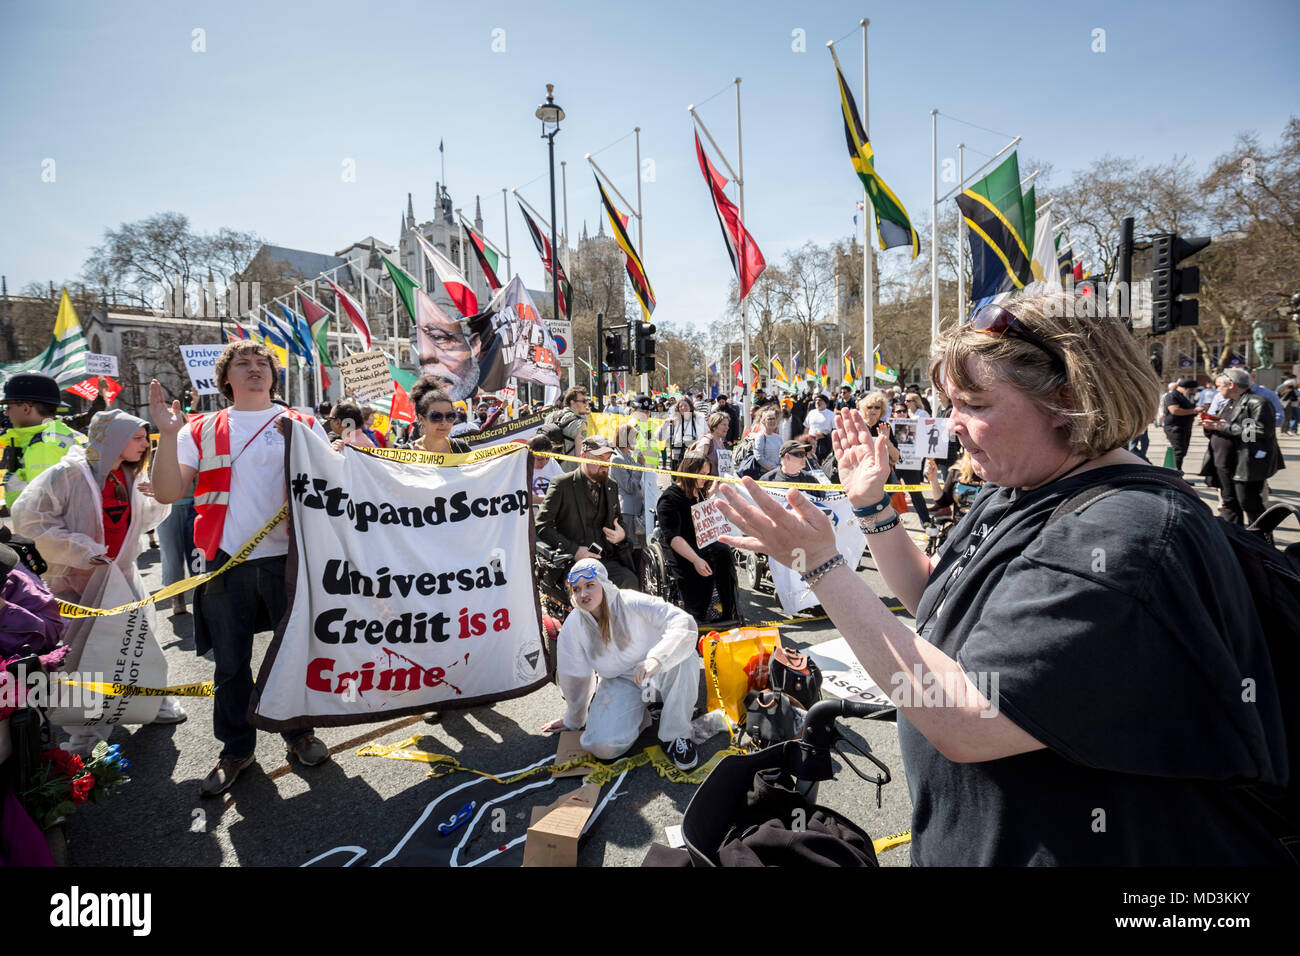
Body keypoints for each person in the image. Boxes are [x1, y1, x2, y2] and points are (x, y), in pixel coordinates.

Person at [714, 294, 1289, 865]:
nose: (952, 425)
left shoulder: (1121, 534)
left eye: (974, 403)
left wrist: (821, 567)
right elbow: (939, 600)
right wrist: (873, 510)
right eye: (950, 403)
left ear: (1067, 399)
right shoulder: (1025, 484)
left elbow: (962, 719)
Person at [149, 340, 333, 797]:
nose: (255, 369)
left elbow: (333, 491)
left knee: (295, 655)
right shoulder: (200, 428)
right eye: (243, 363)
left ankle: (299, 735)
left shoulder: (305, 424)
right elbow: (169, 493)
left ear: (274, 376)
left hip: (291, 563)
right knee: (231, 665)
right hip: (224, 564)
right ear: (225, 379)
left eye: (262, 363)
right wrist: (168, 435)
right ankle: (235, 749)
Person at [12, 410, 187, 753]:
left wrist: (152, 496)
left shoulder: (129, 475)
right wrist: (82, 551)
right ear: (113, 440)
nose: (143, 444)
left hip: (120, 577)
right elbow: (29, 520)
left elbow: (148, 518)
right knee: (83, 657)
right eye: (137, 437)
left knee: (141, 643)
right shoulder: (67, 474)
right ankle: (85, 731)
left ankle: (152, 704)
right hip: (74, 584)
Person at [540, 559, 701, 771]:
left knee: (685, 655)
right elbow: (574, 675)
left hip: (661, 672)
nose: (583, 594)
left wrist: (656, 658)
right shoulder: (574, 625)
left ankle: (677, 734)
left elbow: (682, 621)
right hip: (621, 682)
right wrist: (574, 717)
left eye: (590, 585)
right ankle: (641, 716)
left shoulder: (630, 601)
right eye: (576, 589)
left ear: (604, 585)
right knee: (601, 747)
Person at [536, 435, 639, 590]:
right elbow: (542, 526)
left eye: (607, 458)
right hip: (573, 563)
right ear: (583, 456)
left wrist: (622, 534)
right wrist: (574, 550)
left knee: (630, 582)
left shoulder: (611, 486)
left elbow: (618, 520)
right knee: (591, 592)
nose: (605, 464)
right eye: (599, 458)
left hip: (606, 560)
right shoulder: (562, 484)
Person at [0, 373, 109, 513]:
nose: (6, 413)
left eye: (8, 407)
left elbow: (44, 511)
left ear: (26, 408)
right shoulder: (56, 433)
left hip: (51, 531)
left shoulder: (44, 445)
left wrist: (14, 484)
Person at [655, 453, 737, 624]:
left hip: (699, 541)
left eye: (707, 474)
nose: (704, 479)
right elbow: (674, 537)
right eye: (701, 474)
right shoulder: (669, 499)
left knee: (724, 553)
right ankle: (697, 614)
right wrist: (696, 560)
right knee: (702, 567)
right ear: (690, 472)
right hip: (680, 547)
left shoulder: (698, 493)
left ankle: (728, 611)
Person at [1200, 368, 1279, 526]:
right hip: (1223, 462)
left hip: (1244, 463)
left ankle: (1261, 543)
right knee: (1229, 504)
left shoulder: (1257, 402)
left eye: (1219, 385)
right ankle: (1236, 542)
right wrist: (1209, 426)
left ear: (1231, 385)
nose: (1217, 389)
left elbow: (1258, 430)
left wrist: (1220, 427)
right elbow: (1224, 427)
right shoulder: (1228, 403)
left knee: (1249, 503)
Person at [1160, 377, 1205, 474]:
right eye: (1193, 390)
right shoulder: (1172, 396)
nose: (1194, 393)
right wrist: (1194, 411)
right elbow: (1174, 410)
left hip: (1184, 427)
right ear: (1187, 388)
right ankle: (1175, 474)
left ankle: (1178, 473)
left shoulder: (1184, 396)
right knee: (1178, 451)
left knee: (1182, 452)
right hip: (1175, 428)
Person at [658, 397, 706, 471]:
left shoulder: (698, 419)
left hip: (694, 457)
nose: (683, 408)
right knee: (676, 481)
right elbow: (659, 437)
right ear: (677, 408)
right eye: (681, 406)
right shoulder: (674, 420)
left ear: (691, 407)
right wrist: (666, 424)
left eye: (686, 406)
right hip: (677, 458)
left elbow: (705, 435)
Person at [804, 394, 836, 462]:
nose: (817, 402)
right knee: (811, 462)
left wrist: (824, 435)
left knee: (824, 463)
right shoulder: (811, 413)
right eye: (816, 400)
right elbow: (806, 428)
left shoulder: (831, 414)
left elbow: (835, 430)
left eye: (820, 400)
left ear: (825, 403)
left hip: (825, 443)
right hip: (811, 442)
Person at [751, 407, 783, 474]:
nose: (772, 421)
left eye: (774, 418)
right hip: (765, 473)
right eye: (769, 419)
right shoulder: (760, 437)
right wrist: (772, 469)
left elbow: (782, 454)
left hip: (778, 472)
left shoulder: (778, 437)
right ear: (763, 421)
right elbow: (759, 457)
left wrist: (780, 468)